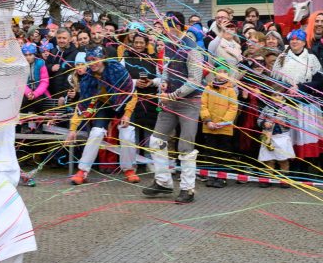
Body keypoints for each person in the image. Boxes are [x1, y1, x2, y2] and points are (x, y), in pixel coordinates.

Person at [143, 11, 205, 204]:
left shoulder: (192, 49)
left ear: (176, 26)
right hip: (169, 103)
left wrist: (172, 95)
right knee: (156, 140)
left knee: (185, 146)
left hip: (189, 104)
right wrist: (157, 83)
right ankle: (163, 182)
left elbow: (194, 81)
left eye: (167, 26)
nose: (164, 30)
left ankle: (188, 189)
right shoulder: (169, 47)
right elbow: (167, 74)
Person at [65, 46, 140, 185]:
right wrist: (73, 129)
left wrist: (127, 114)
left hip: (125, 103)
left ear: (103, 59)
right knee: (96, 133)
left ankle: (129, 169)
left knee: (127, 133)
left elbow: (132, 93)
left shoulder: (117, 69)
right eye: (88, 60)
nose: (92, 63)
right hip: (104, 105)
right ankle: (82, 171)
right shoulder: (88, 78)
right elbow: (82, 104)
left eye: (95, 59)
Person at [271, 29, 323, 161]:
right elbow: (275, 80)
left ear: (304, 42)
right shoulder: (282, 58)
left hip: (306, 104)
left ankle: (307, 163)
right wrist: (288, 88)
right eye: (292, 39)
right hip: (287, 102)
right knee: (289, 134)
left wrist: (300, 87)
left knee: (306, 134)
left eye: (298, 39)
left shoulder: (311, 58)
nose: (294, 42)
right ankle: (290, 164)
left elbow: (318, 81)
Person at [200, 67, 239, 188]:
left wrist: (222, 122)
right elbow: (203, 105)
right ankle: (211, 175)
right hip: (209, 127)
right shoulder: (207, 88)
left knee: (223, 153)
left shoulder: (230, 90)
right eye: (219, 72)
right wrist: (208, 120)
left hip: (224, 128)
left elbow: (233, 107)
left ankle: (222, 177)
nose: (221, 75)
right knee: (211, 152)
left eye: (224, 72)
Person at [256, 96, 296, 187]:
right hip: (268, 136)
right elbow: (259, 120)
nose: (277, 97)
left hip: (282, 136)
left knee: (283, 158)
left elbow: (293, 122)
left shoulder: (287, 109)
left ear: (283, 97)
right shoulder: (266, 108)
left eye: (279, 95)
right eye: (275, 95)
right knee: (268, 158)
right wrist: (264, 123)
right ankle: (267, 179)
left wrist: (283, 123)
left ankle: (284, 179)